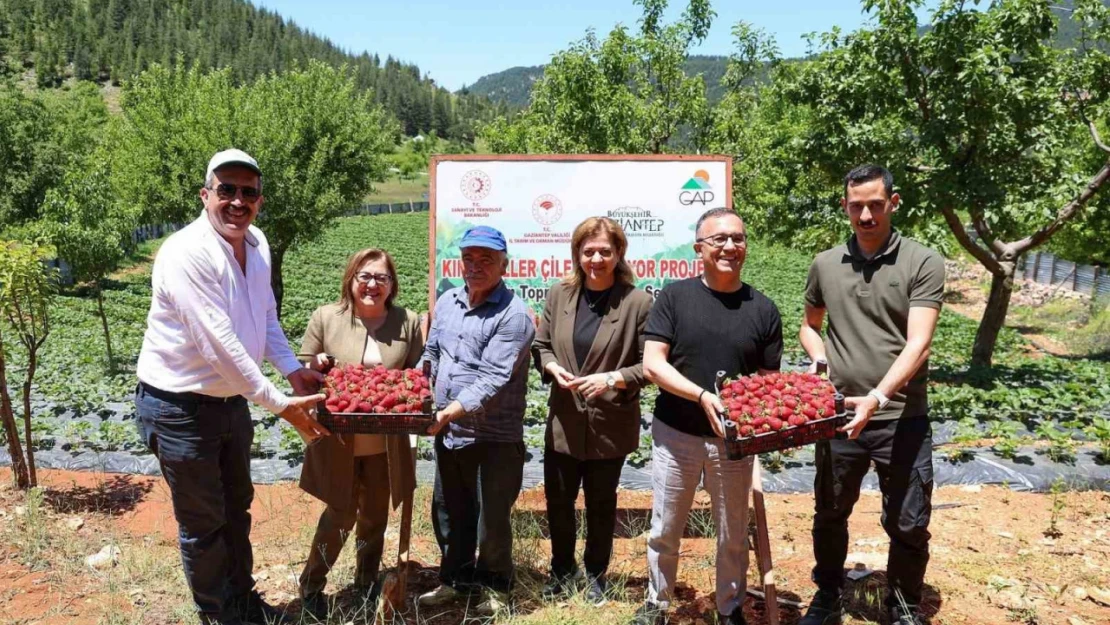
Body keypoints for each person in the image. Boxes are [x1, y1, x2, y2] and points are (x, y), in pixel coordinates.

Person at [134, 149, 328, 625]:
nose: (238, 201)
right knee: (204, 524)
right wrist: (281, 404)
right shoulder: (186, 253)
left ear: (260, 200)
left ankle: (244, 602)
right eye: (227, 190)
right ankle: (218, 615)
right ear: (206, 195)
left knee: (237, 508)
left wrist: (291, 369)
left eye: (249, 192)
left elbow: (264, 315)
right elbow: (219, 343)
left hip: (229, 404)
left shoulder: (256, 244)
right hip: (179, 407)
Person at [797, 164, 944, 625]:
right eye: (856, 205)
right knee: (830, 510)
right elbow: (809, 325)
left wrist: (877, 398)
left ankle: (903, 605)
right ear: (844, 206)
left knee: (908, 521)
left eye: (875, 205)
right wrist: (819, 357)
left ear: (893, 204)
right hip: (837, 415)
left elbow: (919, 343)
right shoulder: (825, 264)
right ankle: (828, 594)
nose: (865, 215)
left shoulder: (921, 261)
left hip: (901, 416)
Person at [637, 207, 784, 625]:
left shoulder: (763, 309)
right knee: (666, 527)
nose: (729, 247)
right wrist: (702, 395)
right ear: (699, 247)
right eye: (718, 239)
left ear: (746, 248)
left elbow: (767, 383)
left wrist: (756, 418)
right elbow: (653, 365)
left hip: (733, 443)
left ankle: (730, 607)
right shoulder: (675, 297)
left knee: (732, 533)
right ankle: (657, 603)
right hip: (676, 433)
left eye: (737, 238)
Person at [295, 248, 425, 619]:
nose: (372, 284)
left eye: (381, 278)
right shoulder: (327, 318)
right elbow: (304, 368)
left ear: (392, 284)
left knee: (374, 516)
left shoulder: (408, 322)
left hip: (386, 442)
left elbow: (414, 376)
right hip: (339, 439)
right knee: (339, 514)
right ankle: (312, 586)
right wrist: (315, 363)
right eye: (364, 276)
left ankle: (366, 582)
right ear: (351, 279)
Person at [415, 225, 536, 615]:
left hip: (493, 436)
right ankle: (456, 580)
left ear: (504, 264)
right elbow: (431, 353)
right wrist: (412, 393)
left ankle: (497, 587)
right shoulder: (448, 301)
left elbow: (493, 378)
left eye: (487, 259)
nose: (476, 265)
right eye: (469, 258)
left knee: (492, 518)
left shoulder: (513, 316)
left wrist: (448, 410)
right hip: (450, 432)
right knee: (450, 510)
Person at [532, 217, 653, 605]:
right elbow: (542, 345)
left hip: (609, 424)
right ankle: (562, 570)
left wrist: (612, 379)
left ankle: (597, 574)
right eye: (589, 252)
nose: (596, 259)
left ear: (619, 254)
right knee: (559, 501)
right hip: (564, 421)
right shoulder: (559, 295)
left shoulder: (638, 303)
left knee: (602, 504)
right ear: (577, 255)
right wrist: (552, 368)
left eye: (605, 251)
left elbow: (649, 364)